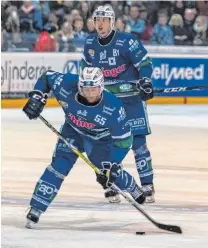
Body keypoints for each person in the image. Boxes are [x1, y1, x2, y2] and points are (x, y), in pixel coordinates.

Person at [22, 67, 146, 228]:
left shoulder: (114, 107)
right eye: (85, 89)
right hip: (72, 132)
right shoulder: (66, 85)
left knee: (107, 171)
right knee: (59, 166)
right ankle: (36, 207)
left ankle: (131, 186)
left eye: (93, 89)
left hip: (100, 140)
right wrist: (37, 97)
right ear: (79, 86)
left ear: (101, 87)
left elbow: (123, 141)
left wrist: (113, 165)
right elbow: (47, 77)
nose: (89, 94)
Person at [81, 5, 155, 204]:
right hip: (107, 103)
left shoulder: (127, 41)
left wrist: (145, 81)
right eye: (97, 20)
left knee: (138, 143)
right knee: (106, 144)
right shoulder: (89, 43)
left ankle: (147, 185)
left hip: (131, 101)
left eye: (104, 20)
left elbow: (145, 64)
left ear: (112, 22)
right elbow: (85, 69)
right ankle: (112, 183)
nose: (100, 24)